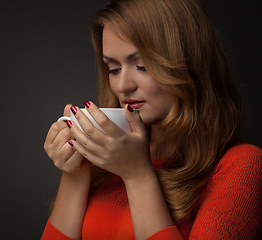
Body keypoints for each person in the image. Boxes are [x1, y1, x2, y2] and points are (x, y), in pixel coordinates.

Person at [41, 0, 262, 239]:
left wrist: (138, 176)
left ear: (188, 63)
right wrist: (77, 172)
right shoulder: (103, 160)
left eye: (142, 66)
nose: (123, 86)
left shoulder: (243, 166)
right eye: (113, 69)